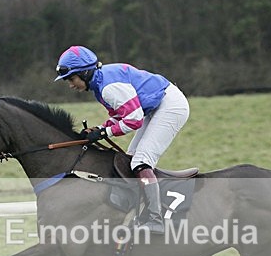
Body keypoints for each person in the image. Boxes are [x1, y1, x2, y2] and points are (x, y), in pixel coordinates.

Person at [54, 45, 190, 234]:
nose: (70, 84)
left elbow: (134, 120)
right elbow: (122, 115)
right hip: (154, 107)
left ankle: (155, 220)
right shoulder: (100, 85)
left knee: (141, 162)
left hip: (170, 106)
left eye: (71, 79)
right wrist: (100, 128)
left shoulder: (108, 87)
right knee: (130, 160)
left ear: (85, 73)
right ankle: (139, 212)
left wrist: (104, 133)